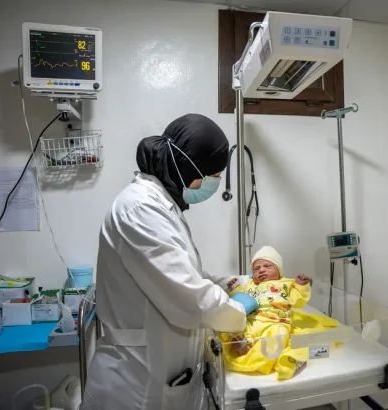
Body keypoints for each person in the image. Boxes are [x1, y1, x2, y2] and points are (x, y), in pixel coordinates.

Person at [81, 114, 255, 410]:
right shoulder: (140, 209)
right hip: (136, 386)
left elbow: (185, 275)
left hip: (162, 375)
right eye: (214, 175)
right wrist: (240, 308)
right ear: (189, 167)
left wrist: (232, 283)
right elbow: (191, 299)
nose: (215, 183)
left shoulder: (162, 206)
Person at [221, 246, 313, 380]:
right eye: (256, 269)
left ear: (279, 270)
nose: (261, 270)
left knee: (278, 336)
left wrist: (300, 285)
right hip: (252, 319)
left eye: (267, 266)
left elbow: (298, 301)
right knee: (234, 327)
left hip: (276, 321)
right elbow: (240, 299)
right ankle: (242, 343)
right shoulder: (250, 285)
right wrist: (235, 288)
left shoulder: (286, 283)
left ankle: (252, 352)